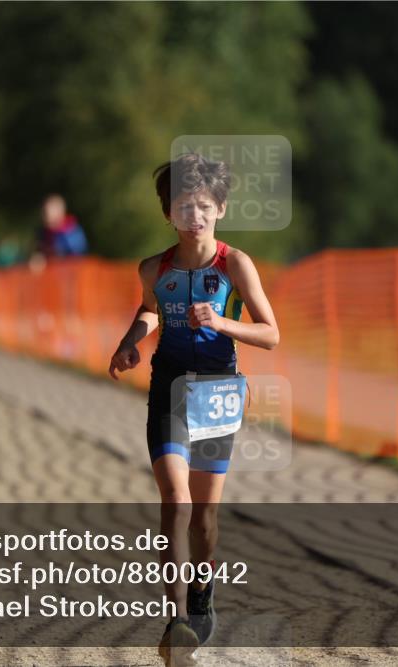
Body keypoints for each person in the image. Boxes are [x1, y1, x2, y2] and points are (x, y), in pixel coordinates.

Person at [108, 153, 280, 665]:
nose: (194, 216)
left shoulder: (235, 265)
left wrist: (223, 324)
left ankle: (203, 593)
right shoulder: (153, 269)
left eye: (203, 205)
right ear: (168, 213)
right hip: (169, 388)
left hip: (219, 394)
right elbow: (148, 308)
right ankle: (178, 620)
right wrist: (129, 341)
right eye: (183, 206)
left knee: (204, 518)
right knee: (176, 504)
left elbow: (271, 333)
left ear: (220, 208)